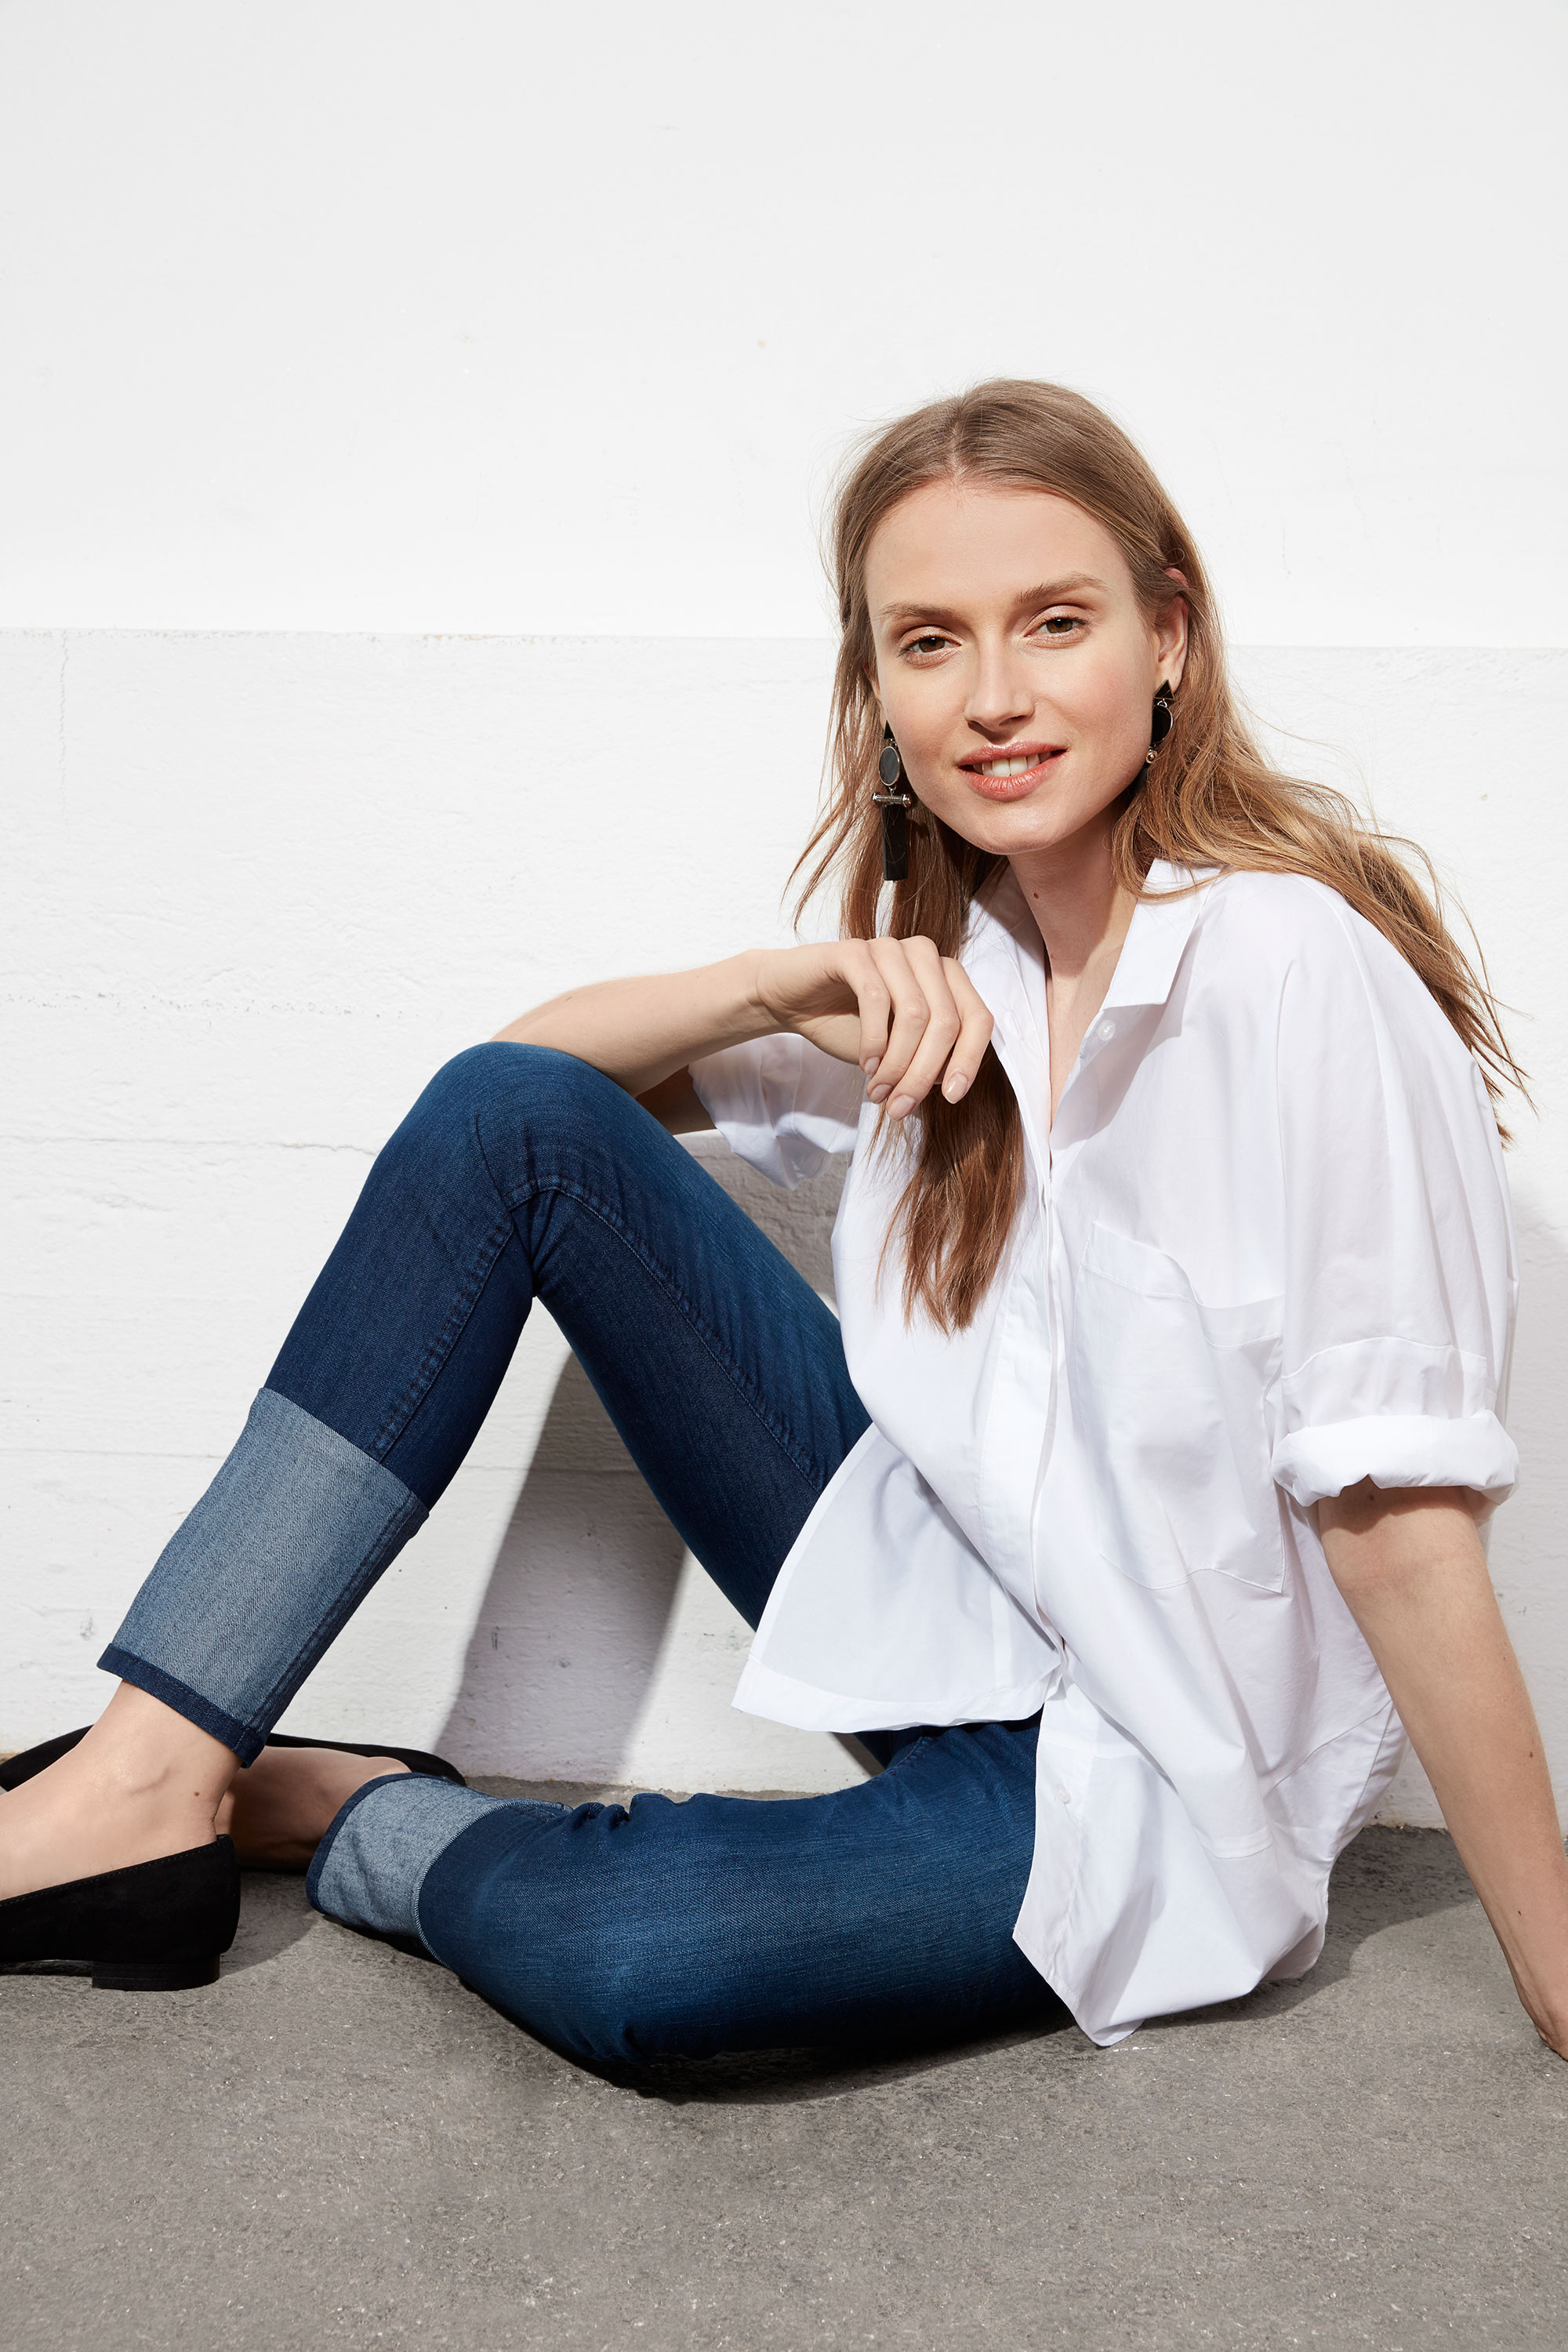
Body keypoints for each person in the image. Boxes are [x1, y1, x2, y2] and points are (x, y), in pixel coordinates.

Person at [4, 381, 1564, 2067]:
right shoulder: (945, 981)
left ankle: (336, 1806)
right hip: (940, 1625)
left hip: (1138, 1787)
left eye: (1054, 623)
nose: (995, 697)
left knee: (640, 1959)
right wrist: (768, 983)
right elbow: (499, 1110)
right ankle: (143, 1779)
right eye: (930, 643)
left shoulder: (1286, 965)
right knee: (513, 1121)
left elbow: (1400, 1521)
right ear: (877, 690)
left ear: (1167, 635)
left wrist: (1555, 1977)